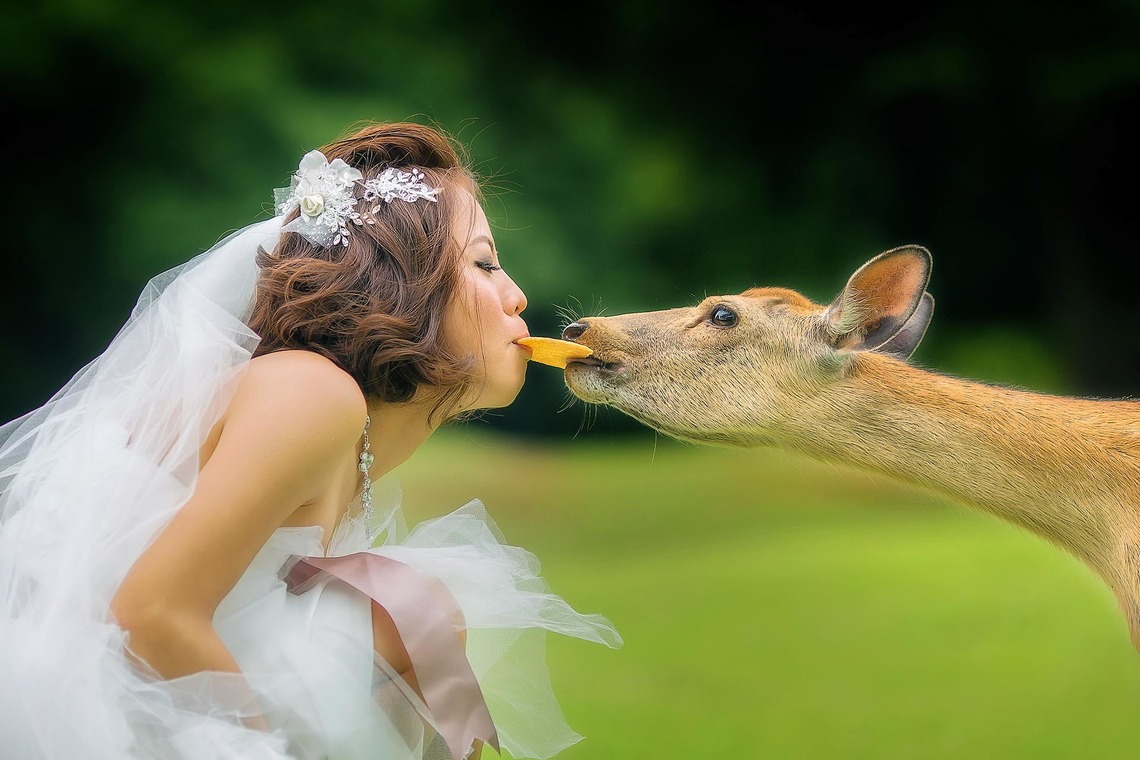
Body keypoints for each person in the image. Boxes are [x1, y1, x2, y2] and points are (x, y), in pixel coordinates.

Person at [0, 122, 621, 760]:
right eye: (485, 263)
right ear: (402, 282)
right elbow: (150, 613)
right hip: (65, 705)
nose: (517, 296)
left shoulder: (349, 433)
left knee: (416, 606)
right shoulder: (312, 394)